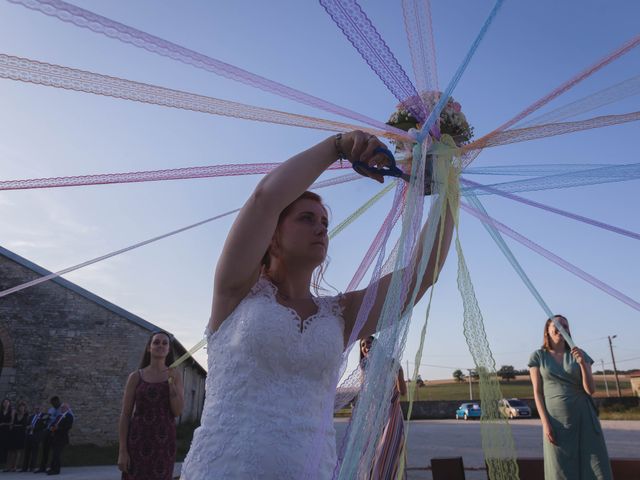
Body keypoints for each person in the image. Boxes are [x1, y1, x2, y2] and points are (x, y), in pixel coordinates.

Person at [180, 131, 454, 479]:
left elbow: (422, 273)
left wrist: (448, 185)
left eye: (324, 222)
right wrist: (338, 146)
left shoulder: (341, 314)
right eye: (306, 219)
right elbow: (266, 198)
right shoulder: (235, 293)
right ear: (272, 235)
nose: (321, 228)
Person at [528, 315, 612, 480]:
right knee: (561, 468)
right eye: (557, 325)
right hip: (556, 421)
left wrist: (582, 364)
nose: (562, 328)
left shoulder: (579, 353)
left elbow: (591, 390)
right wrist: (545, 424)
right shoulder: (538, 356)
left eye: (565, 326)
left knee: (596, 466)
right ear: (547, 330)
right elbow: (537, 393)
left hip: (584, 418)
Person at [118, 331, 184, 480]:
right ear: (149, 348)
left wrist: (172, 383)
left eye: (164, 343)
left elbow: (177, 411)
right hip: (137, 440)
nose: (160, 345)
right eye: (156, 342)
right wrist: (122, 450)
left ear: (169, 350)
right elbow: (125, 414)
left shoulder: (176, 375)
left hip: (164, 443)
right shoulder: (135, 377)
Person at [360, 336, 407, 480]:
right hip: (371, 417)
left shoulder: (391, 362)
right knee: (371, 456)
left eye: (369, 342)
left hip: (391, 414)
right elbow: (364, 393)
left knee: (389, 453)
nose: (365, 346)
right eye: (362, 345)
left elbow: (403, 391)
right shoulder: (364, 367)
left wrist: (399, 372)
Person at [35, 396, 61, 473]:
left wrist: (51, 418)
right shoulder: (51, 409)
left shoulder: (62, 409)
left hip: (56, 432)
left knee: (54, 451)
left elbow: (59, 419)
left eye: (54, 403)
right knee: (45, 449)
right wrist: (45, 419)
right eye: (52, 404)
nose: (53, 405)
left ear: (58, 401)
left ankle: (53, 467)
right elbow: (47, 416)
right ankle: (42, 467)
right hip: (48, 431)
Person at [46, 403, 73, 476]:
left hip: (62, 438)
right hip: (55, 438)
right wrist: (52, 427)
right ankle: (52, 468)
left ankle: (56, 470)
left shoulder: (69, 416)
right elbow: (53, 423)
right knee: (54, 454)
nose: (61, 409)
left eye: (63, 408)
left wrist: (58, 428)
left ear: (67, 408)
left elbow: (68, 427)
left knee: (56, 454)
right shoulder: (59, 416)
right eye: (61, 408)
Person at [21, 404, 50, 472]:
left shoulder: (44, 416)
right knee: (27, 452)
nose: (37, 410)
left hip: (36, 436)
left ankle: (32, 467)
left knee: (34, 452)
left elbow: (44, 426)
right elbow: (27, 424)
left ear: (41, 409)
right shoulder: (31, 416)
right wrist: (27, 427)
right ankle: (24, 468)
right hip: (29, 435)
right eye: (35, 408)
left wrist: (34, 428)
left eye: (38, 408)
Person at [5, 400, 28, 472]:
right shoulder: (15, 415)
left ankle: (15, 466)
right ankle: (8, 467)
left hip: (21, 435)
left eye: (23, 407)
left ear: (25, 408)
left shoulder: (26, 415)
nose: (21, 408)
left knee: (18, 451)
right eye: (20, 407)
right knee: (11, 451)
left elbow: (25, 426)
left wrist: (18, 426)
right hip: (13, 434)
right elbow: (12, 424)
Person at [0, 399, 12, 468]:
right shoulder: (0, 411)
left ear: (9, 403)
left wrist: (4, 423)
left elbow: (12, 422)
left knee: (5, 447)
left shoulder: (11, 412)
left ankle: (4, 463)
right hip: (0, 430)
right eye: (4, 402)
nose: (6, 403)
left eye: (7, 402)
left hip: (7, 431)